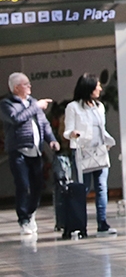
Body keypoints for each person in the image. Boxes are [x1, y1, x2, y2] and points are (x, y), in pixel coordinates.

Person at [1, 72, 60, 236]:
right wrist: (35, 107)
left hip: (36, 151)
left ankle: (31, 212)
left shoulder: (33, 103)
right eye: (26, 84)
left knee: (37, 185)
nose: (30, 87)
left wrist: (52, 140)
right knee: (23, 185)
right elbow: (16, 119)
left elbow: (44, 124)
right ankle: (24, 219)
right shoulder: (7, 104)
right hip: (18, 152)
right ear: (16, 87)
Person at [63, 73, 118, 235]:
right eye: (97, 86)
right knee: (83, 188)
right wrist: (73, 134)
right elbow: (67, 131)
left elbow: (102, 129)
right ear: (88, 87)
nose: (100, 88)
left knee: (102, 187)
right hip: (82, 151)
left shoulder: (99, 107)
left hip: (100, 150)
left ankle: (102, 223)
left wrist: (107, 142)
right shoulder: (73, 107)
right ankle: (80, 225)